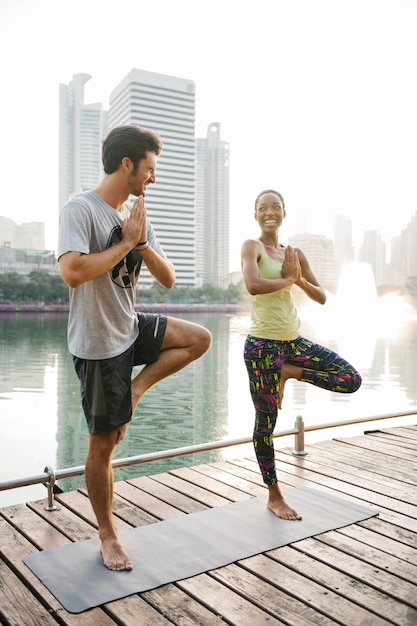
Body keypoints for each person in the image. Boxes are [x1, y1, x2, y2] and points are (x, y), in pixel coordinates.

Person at [58, 125, 212, 571]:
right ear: (128, 164)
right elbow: (72, 272)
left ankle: (136, 390)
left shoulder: (135, 215)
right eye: (150, 169)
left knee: (199, 339)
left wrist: (140, 241)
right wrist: (125, 242)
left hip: (130, 327)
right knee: (103, 445)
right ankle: (107, 535)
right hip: (98, 344)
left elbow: (167, 278)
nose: (154, 178)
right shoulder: (80, 208)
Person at [241, 189, 362, 521]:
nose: (269, 212)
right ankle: (274, 496)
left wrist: (297, 280)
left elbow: (322, 296)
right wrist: (287, 280)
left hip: (292, 343)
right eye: (263, 207)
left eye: (275, 207)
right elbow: (252, 285)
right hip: (262, 347)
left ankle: (290, 373)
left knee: (351, 379)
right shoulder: (252, 247)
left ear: (283, 213)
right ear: (256, 215)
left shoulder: (294, 254)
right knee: (265, 423)